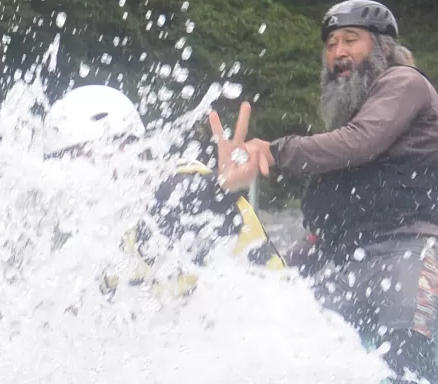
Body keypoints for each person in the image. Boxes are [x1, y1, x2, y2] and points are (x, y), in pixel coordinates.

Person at [208, 0, 438, 384]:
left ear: (382, 46)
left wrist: (273, 151)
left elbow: (362, 143)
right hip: (349, 259)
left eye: (351, 40)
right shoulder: (347, 127)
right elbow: (332, 217)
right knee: (274, 333)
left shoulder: (406, 84)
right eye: (331, 44)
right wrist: (229, 191)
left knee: (407, 363)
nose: (339, 53)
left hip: (414, 247)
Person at [41, 84, 280, 275]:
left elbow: (188, 204)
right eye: (65, 160)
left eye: (83, 156)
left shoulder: (172, 189)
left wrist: (221, 190)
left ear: (127, 149)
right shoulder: (88, 232)